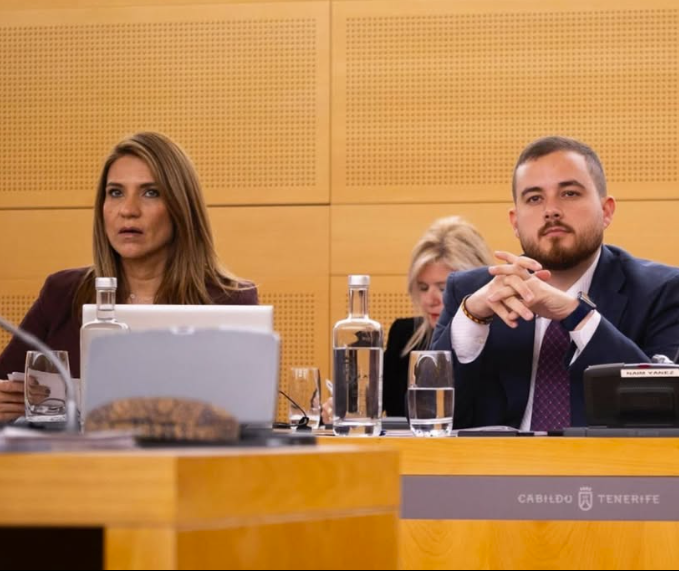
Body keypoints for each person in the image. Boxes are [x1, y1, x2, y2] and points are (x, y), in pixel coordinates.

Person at [0, 132, 258, 422]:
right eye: (115, 193)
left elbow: (249, 416)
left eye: (150, 193)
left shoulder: (231, 300)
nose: (128, 210)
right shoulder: (62, 292)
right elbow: (5, 386)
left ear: (180, 207)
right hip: (72, 452)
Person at [432, 136, 679, 430]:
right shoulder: (469, 294)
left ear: (606, 211)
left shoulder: (663, 291)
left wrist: (576, 315)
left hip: (607, 461)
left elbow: (665, 411)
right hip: (497, 460)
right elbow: (427, 416)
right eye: (534, 198)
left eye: (569, 193)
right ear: (515, 222)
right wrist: (472, 319)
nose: (551, 210)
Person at [383, 216, 493, 416]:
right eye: (423, 287)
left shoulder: (503, 337)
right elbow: (375, 404)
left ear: (477, 284)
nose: (429, 300)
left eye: (443, 289)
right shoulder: (404, 334)